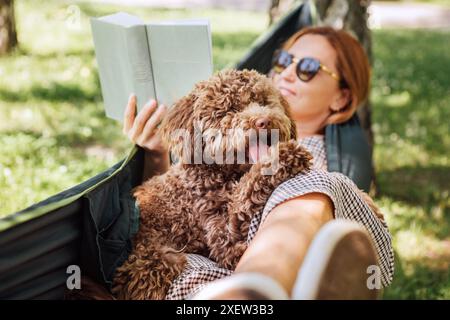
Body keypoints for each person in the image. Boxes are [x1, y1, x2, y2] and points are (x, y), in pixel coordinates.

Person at [122, 26, 394, 299]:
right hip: (210, 262)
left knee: (311, 182)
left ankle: (253, 289)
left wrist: (280, 165)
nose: (287, 73)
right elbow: (184, 204)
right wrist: (157, 154)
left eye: (308, 68)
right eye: (284, 61)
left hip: (243, 255)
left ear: (341, 97)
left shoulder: (324, 153)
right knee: (180, 268)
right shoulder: (221, 149)